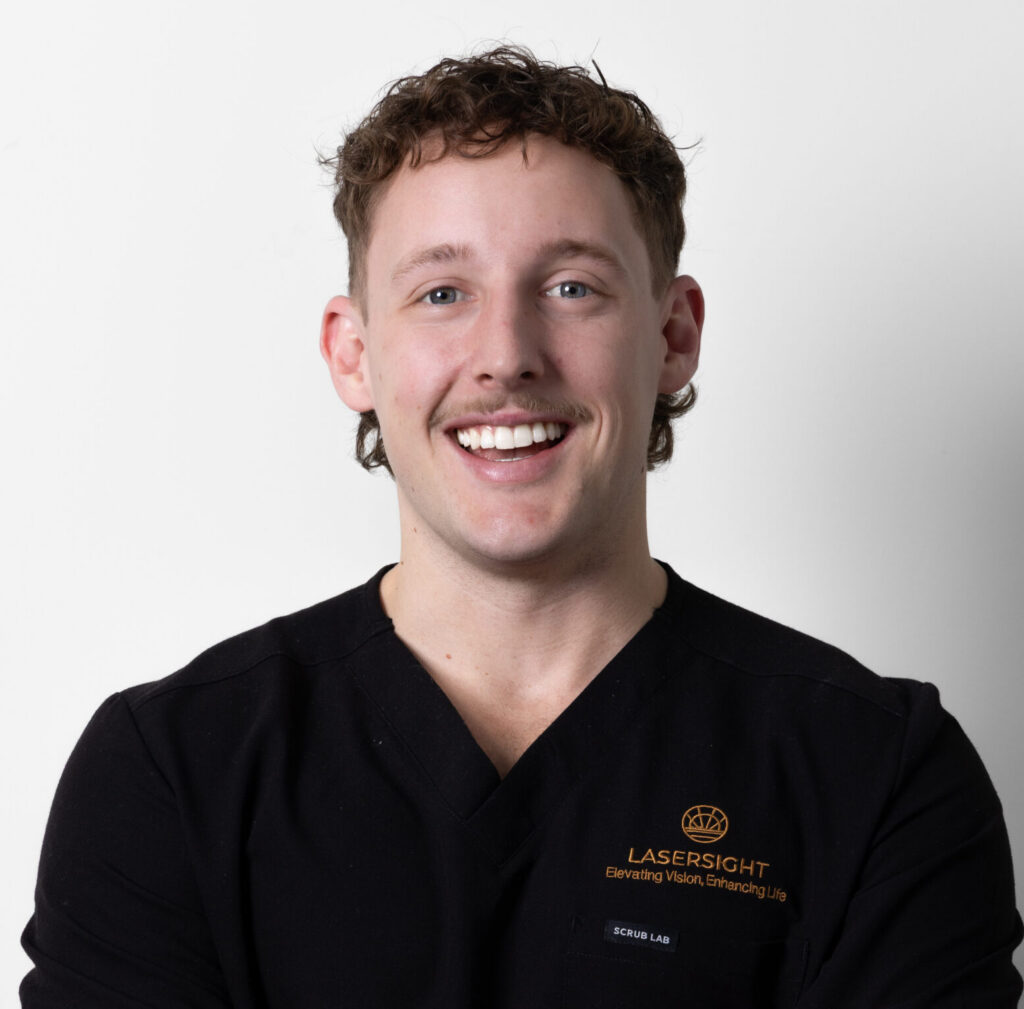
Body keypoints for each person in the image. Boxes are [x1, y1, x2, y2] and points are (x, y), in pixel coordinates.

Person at [20, 46, 1022, 1008]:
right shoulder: (173, 771)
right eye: (442, 292)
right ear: (353, 353)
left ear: (672, 336)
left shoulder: (875, 772)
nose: (505, 354)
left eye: (570, 287)